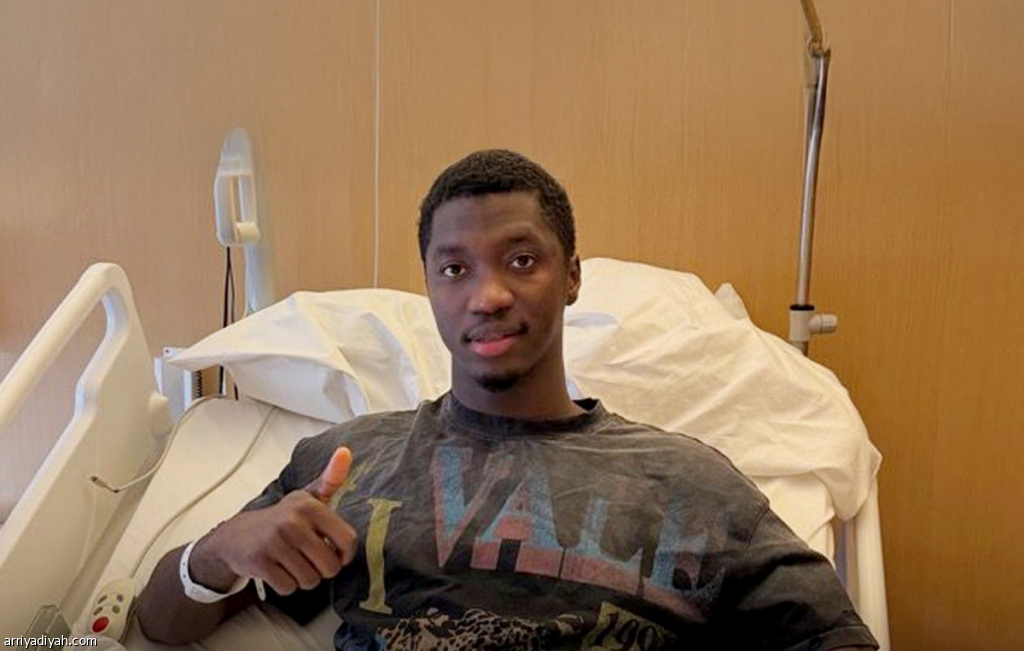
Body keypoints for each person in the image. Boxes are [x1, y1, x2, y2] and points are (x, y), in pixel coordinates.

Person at [137, 149, 878, 650]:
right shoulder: (348, 462)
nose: (487, 295)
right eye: (454, 268)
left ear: (572, 276)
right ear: (429, 286)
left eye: (521, 260)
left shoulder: (688, 482)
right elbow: (157, 624)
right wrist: (218, 550)